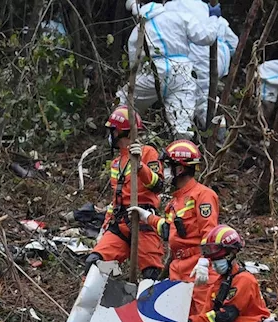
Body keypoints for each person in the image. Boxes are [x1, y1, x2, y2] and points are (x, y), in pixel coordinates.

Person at [84, 106, 165, 280]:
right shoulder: (116, 163)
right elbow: (116, 200)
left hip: (143, 222)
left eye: (112, 131)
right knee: (94, 262)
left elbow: (158, 186)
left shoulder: (148, 153)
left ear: (121, 132)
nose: (110, 135)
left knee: (151, 275)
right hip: (120, 224)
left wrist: (140, 166)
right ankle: (96, 303)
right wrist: (104, 228)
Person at [117, 0, 220, 137]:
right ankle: (183, 153)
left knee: (124, 102)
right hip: (181, 72)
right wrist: (214, 18)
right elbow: (207, 37)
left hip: (151, 73)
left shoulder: (137, 30)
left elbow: (134, 64)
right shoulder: (178, 17)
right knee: (182, 124)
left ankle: (120, 141)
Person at [134, 139, 218, 282]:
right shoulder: (175, 201)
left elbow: (210, 232)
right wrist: (147, 217)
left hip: (197, 267)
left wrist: (204, 262)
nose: (165, 171)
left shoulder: (203, 195)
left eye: (168, 166)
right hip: (177, 267)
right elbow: (168, 229)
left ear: (179, 169)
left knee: (200, 304)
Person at [187, 5, 237, 128]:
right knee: (210, 94)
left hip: (203, 59)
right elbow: (234, 43)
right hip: (222, 60)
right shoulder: (219, 19)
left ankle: (216, 135)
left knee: (203, 98)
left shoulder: (187, 14)